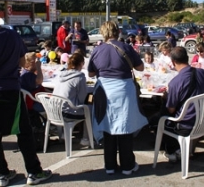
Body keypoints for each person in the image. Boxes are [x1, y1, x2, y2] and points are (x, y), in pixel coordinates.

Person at [0, 7, 52, 186]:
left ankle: (2, 174)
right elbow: (22, 62)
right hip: (12, 90)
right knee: (23, 132)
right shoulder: (13, 35)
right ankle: (34, 171)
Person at [88, 21, 147, 175]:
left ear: (103, 32)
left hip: (104, 92)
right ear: (117, 32)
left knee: (108, 128)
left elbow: (91, 73)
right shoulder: (126, 47)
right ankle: (127, 166)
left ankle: (110, 166)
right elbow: (140, 67)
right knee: (125, 127)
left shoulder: (97, 50)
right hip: (123, 90)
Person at [162, 46, 204, 162]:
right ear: (187, 58)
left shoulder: (175, 82)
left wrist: (167, 96)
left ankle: (171, 150)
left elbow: (171, 109)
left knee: (161, 116)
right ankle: (177, 148)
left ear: (173, 62)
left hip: (186, 125)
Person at [52, 53, 90, 146]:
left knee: (78, 104)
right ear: (81, 63)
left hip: (53, 111)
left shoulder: (61, 75)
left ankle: (65, 133)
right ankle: (86, 138)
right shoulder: (80, 77)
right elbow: (82, 99)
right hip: (68, 113)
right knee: (89, 106)